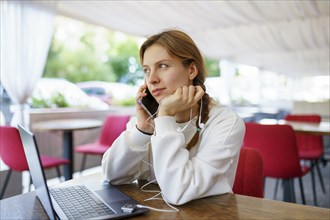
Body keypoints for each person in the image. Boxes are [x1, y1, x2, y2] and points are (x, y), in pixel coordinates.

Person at [102, 29, 245, 205]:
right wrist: (143, 129)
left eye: (162, 66)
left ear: (191, 70)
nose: (152, 79)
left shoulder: (226, 122)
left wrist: (165, 118)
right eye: (147, 70)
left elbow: (178, 192)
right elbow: (112, 175)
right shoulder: (150, 117)